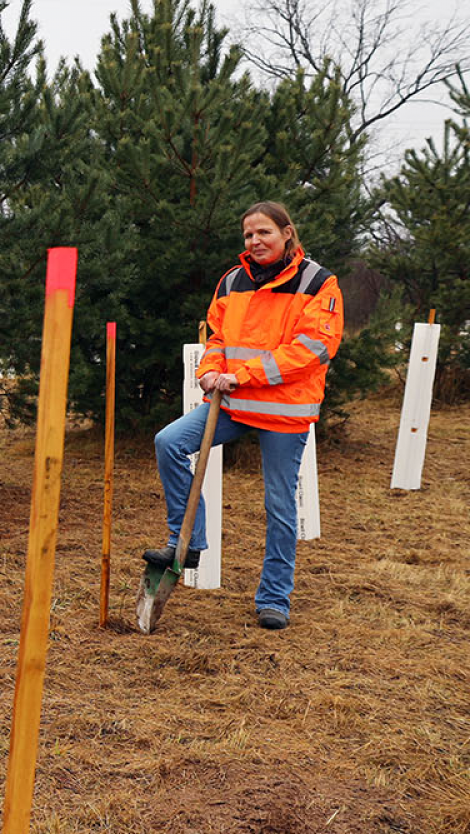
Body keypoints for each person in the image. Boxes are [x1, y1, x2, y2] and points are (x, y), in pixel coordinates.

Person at [147, 201, 344, 630]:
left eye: (264, 233)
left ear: (287, 233)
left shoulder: (318, 282)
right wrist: (210, 370)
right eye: (248, 236)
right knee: (170, 442)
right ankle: (188, 542)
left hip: (283, 411)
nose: (255, 242)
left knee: (278, 503)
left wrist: (242, 375)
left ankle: (274, 598)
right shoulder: (232, 281)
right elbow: (216, 335)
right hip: (232, 403)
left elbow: (313, 349)